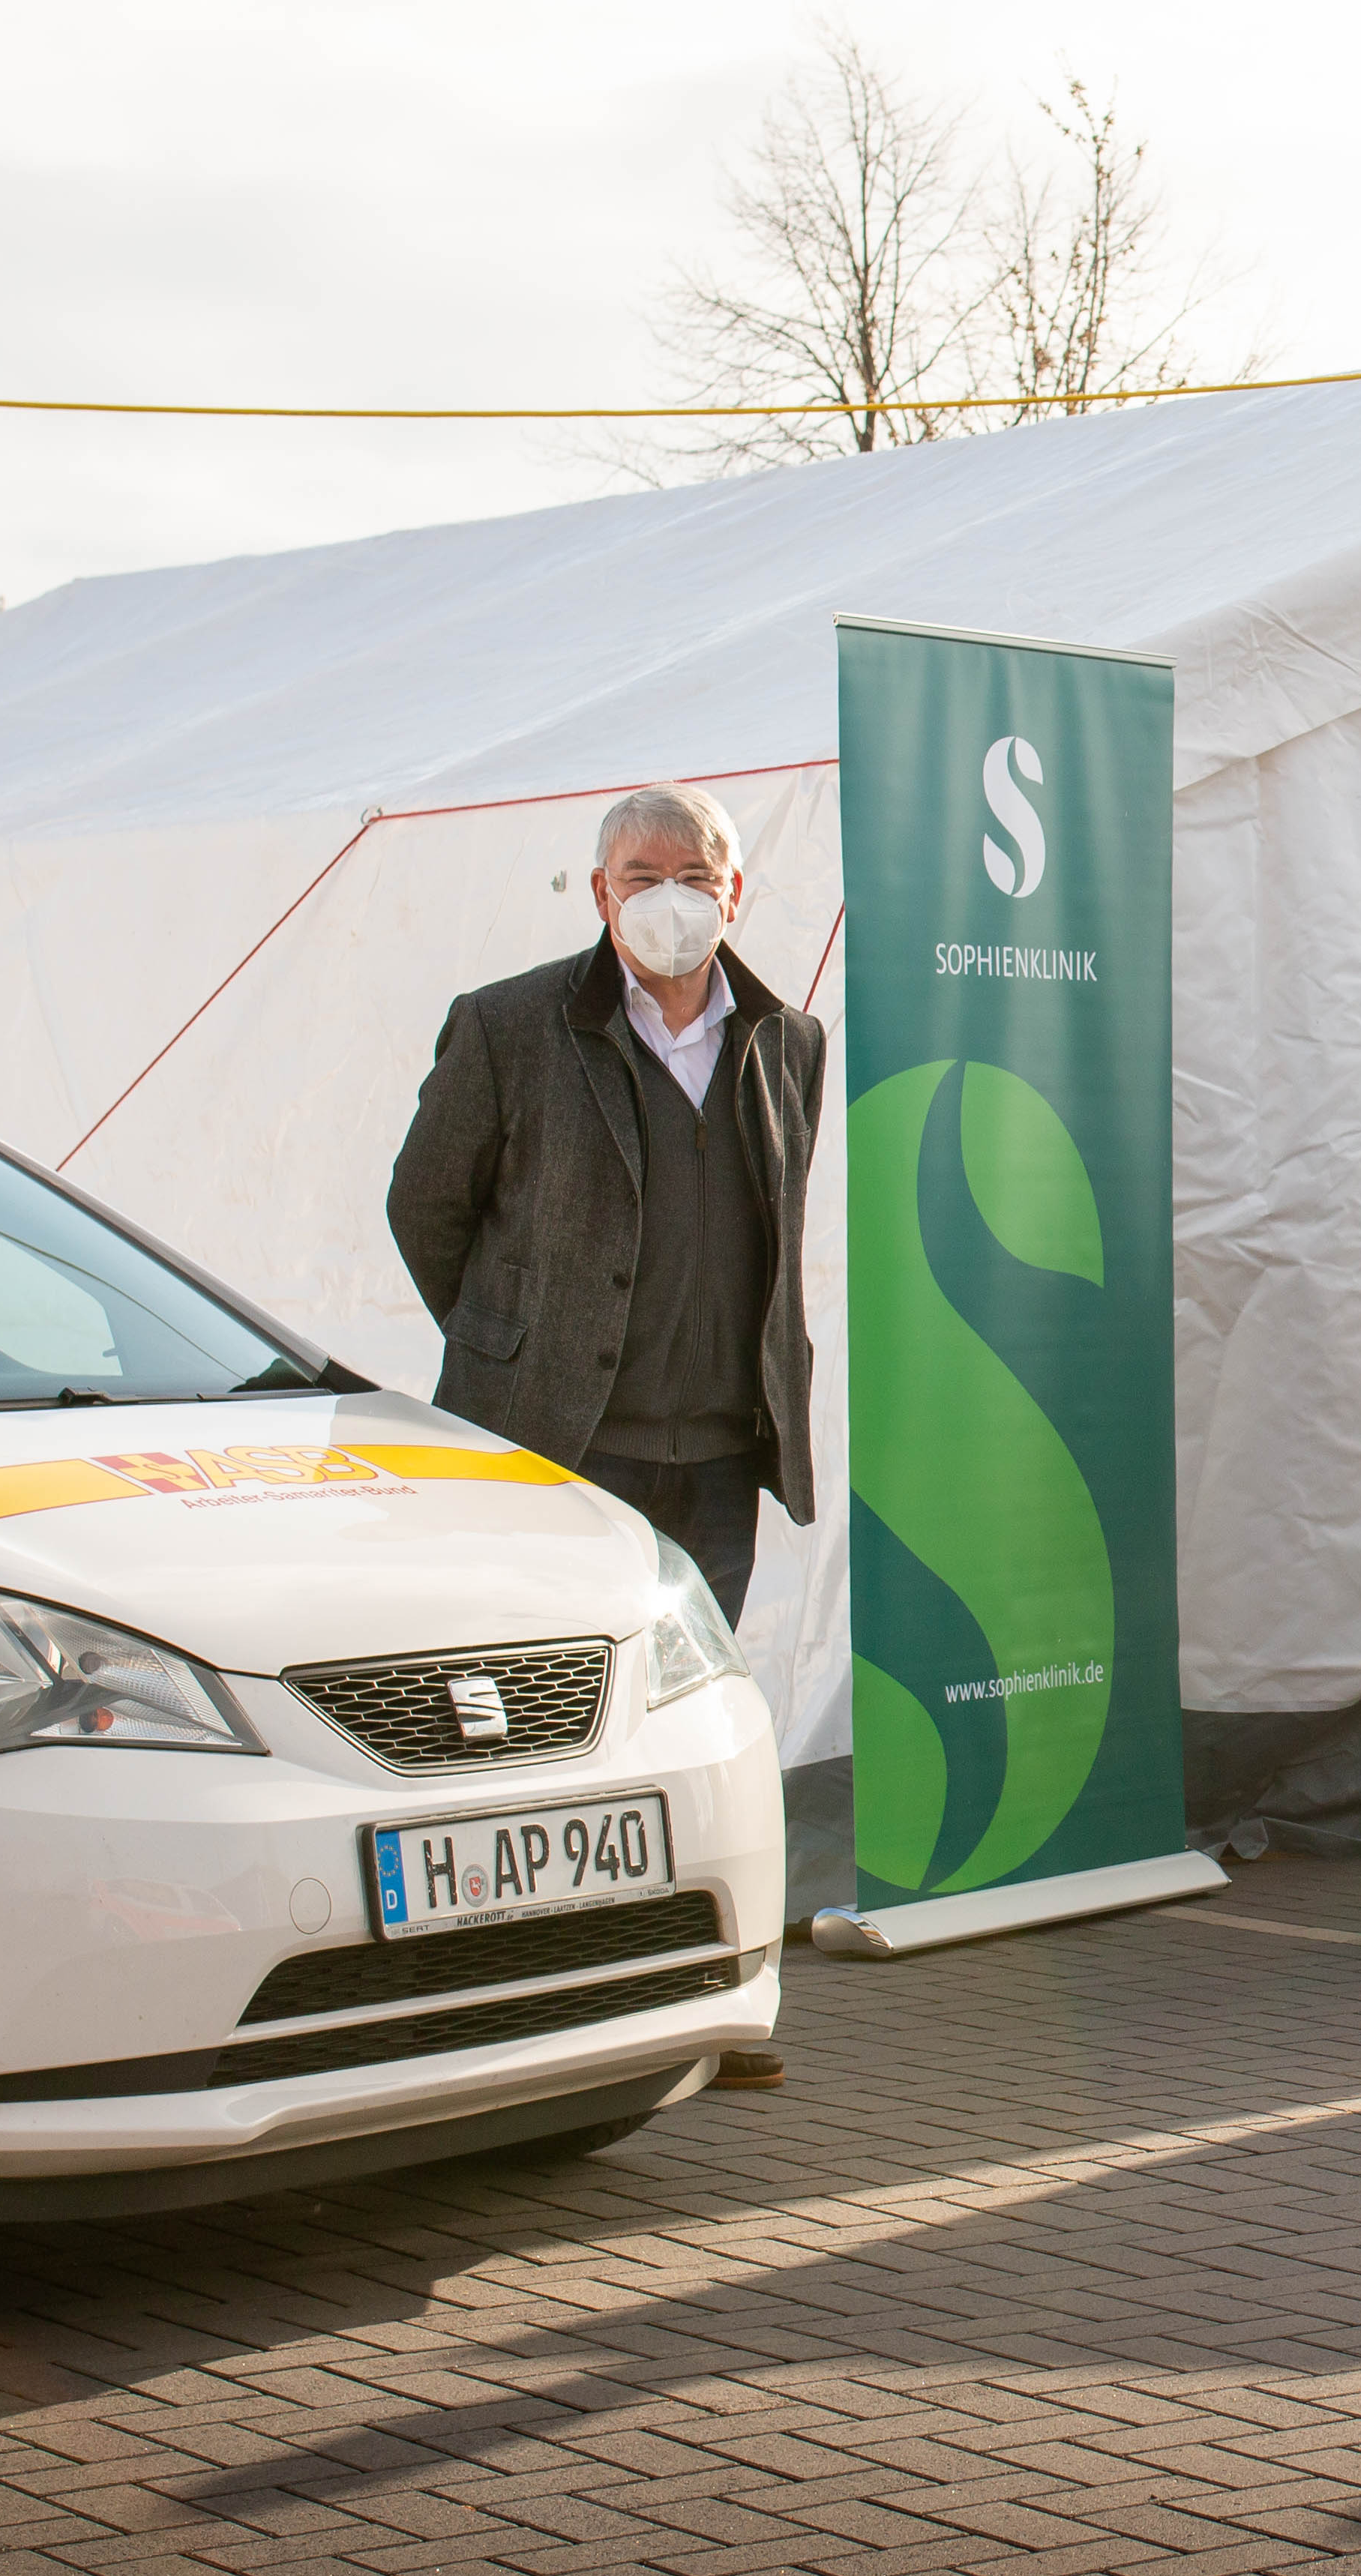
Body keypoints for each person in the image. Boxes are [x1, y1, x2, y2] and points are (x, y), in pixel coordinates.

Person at [388, 783, 823, 2089]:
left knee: (684, 1737)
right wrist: (512, 1346)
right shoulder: (512, 1025)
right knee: (536, 1739)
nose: (670, 895)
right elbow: (426, 1210)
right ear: (599, 894)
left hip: (718, 1456)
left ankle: (692, 1999)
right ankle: (516, 2006)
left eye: (695, 872)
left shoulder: (786, 1039)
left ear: (735, 890)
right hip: (558, 1454)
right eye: (641, 874)